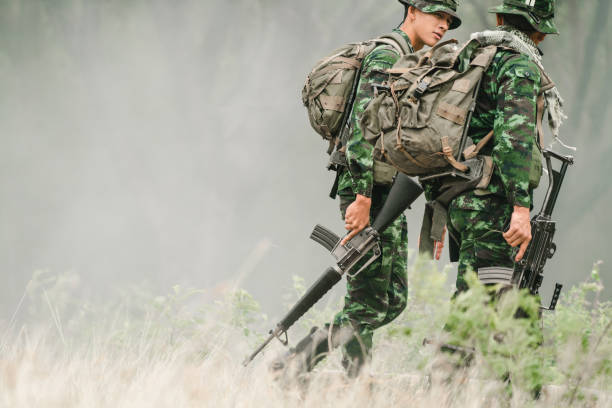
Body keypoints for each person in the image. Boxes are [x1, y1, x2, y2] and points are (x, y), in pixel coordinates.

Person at [273, 0, 462, 379]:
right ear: (412, 11)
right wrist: (360, 198)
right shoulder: (387, 55)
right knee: (373, 300)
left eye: (448, 20)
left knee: (389, 299)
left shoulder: (409, 59)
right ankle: (299, 365)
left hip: (386, 191)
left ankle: (353, 381)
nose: (443, 25)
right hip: (369, 192)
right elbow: (362, 130)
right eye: (435, 15)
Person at [434, 0, 563, 295]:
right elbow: (513, 141)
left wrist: (439, 203)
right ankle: (449, 344)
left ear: (500, 17)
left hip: (461, 195)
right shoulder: (519, 66)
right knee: (481, 304)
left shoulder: (478, 56)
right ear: (540, 31)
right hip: (491, 204)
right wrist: (520, 207)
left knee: (489, 301)